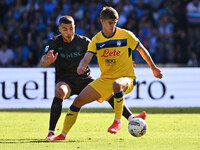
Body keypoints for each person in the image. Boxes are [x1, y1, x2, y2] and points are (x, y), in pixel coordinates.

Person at [52, 7, 162, 141]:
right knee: (77, 102)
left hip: (126, 78)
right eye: (110, 22)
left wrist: (153, 68)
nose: (113, 25)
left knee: (117, 85)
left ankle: (117, 121)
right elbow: (87, 57)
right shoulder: (96, 40)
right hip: (104, 80)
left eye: (115, 22)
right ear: (102, 21)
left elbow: (142, 49)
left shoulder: (126, 35)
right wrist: (82, 66)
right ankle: (63, 135)